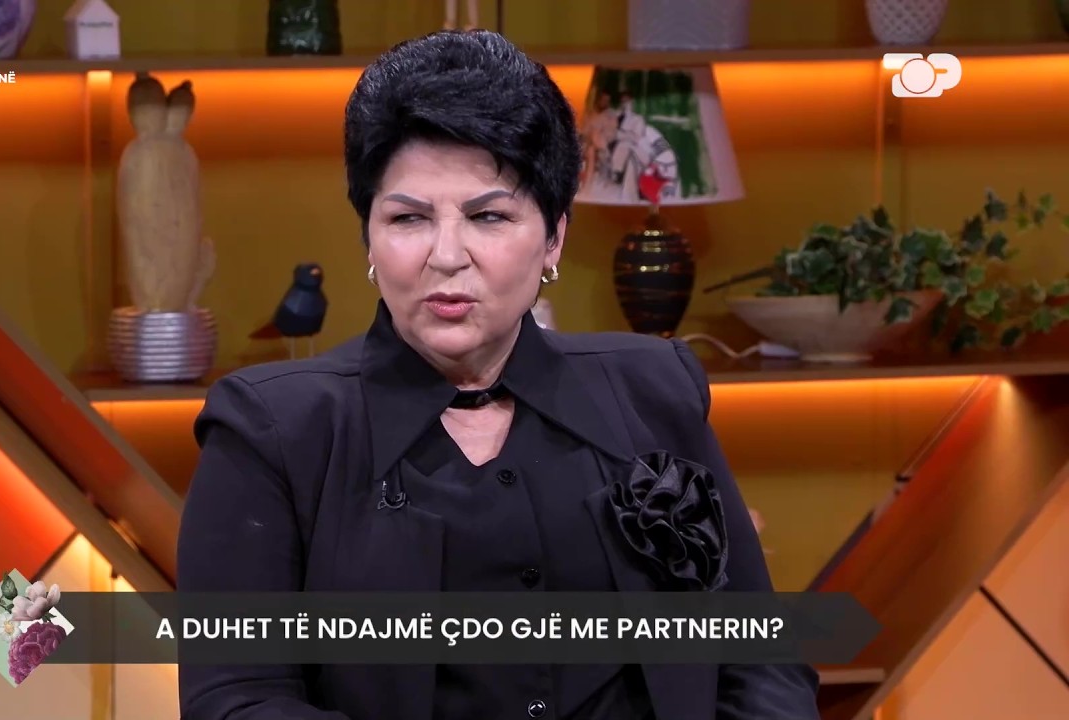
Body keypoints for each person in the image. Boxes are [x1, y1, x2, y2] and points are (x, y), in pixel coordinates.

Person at [177, 29, 821, 720]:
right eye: (408, 218)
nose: (446, 255)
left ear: (554, 238)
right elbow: (236, 701)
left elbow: (762, 665)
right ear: (369, 236)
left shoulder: (653, 391)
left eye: (488, 216)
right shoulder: (274, 431)